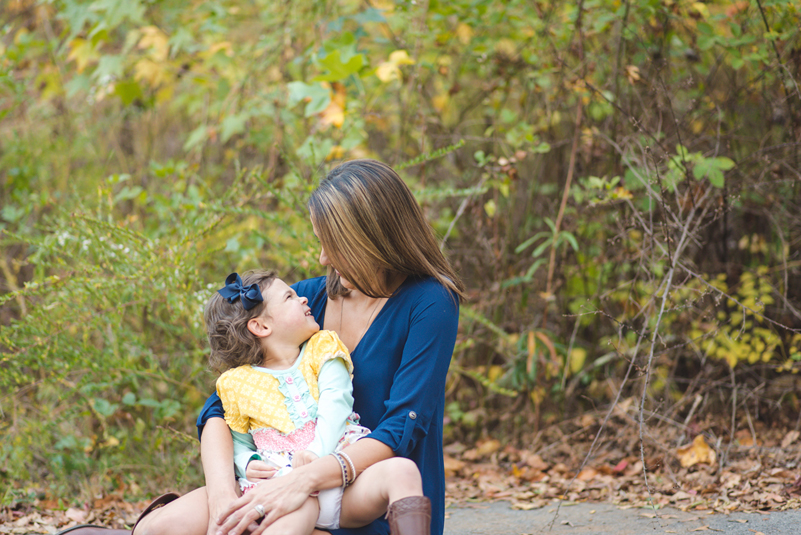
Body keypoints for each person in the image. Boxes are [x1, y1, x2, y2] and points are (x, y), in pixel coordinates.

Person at [63, 159, 463, 535]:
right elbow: (220, 406)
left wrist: (304, 478)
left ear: (371, 239)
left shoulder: (430, 303)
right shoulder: (309, 303)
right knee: (172, 523)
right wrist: (224, 495)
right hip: (285, 486)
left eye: (333, 243)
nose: (322, 256)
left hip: (366, 504)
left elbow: (403, 427)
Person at [205, 269, 430, 534]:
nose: (303, 298)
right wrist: (246, 462)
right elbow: (239, 440)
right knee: (290, 520)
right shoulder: (236, 383)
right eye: (289, 297)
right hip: (279, 486)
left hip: (344, 482)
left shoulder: (322, 348)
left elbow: (337, 404)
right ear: (261, 326)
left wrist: (317, 459)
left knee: (403, 472)